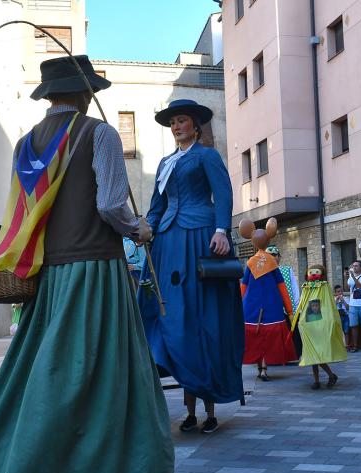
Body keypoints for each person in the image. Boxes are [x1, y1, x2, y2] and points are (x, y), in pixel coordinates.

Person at [0, 55, 173, 473]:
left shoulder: (24, 145)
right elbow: (110, 204)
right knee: (100, 382)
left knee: (41, 383)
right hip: (95, 273)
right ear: (84, 91)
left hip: (48, 282)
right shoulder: (99, 133)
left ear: (48, 95)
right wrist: (138, 228)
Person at [138, 98, 243, 437]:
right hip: (167, 242)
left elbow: (223, 194)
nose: (176, 126)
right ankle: (188, 411)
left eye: (182, 121)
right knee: (171, 315)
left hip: (200, 235)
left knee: (203, 319)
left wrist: (221, 230)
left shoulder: (207, 156)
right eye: (173, 122)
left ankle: (209, 410)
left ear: (195, 126)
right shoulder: (165, 163)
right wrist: (146, 227)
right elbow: (157, 206)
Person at [239, 219, 297, 381]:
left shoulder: (250, 263)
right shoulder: (272, 262)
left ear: (252, 240)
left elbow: (243, 287)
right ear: (268, 239)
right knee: (267, 337)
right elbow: (282, 288)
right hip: (272, 307)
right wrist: (290, 310)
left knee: (255, 337)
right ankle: (263, 368)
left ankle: (261, 367)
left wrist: (237, 305)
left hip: (250, 307)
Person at [292, 264, 345, 389]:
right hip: (309, 324)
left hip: (320, 323)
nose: (314, 274)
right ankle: (318, 380)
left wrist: (329, 319)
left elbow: (327, 303)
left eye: (316, 272)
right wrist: (300, 319)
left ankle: (329, 376)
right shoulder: (306, 287)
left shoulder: (324, 286)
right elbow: (303, 303)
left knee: (317, 353)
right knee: (312, 354)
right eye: (311, 272)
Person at [346, 260, 361, 352]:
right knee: (354, 326)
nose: (354, 267)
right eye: (353, 266)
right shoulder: (350, 278)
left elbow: (359, 286)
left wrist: (352, 276)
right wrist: (348, 277)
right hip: (353, 305)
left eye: (356, 266)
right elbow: (348, 288)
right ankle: (355, 346)